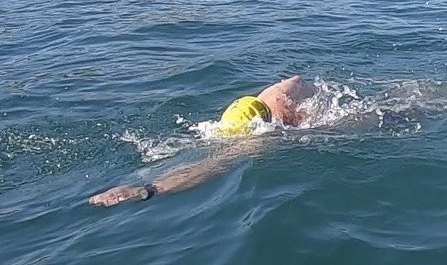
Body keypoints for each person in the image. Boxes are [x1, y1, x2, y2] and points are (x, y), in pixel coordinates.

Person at [87, 76, 317, 207]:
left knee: (210, 151)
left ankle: (149, 184)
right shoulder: (280, 119)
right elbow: (209, 169)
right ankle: (152, 188)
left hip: (238, 111)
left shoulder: (279, 91)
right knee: (220, 159)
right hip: (254, 118)